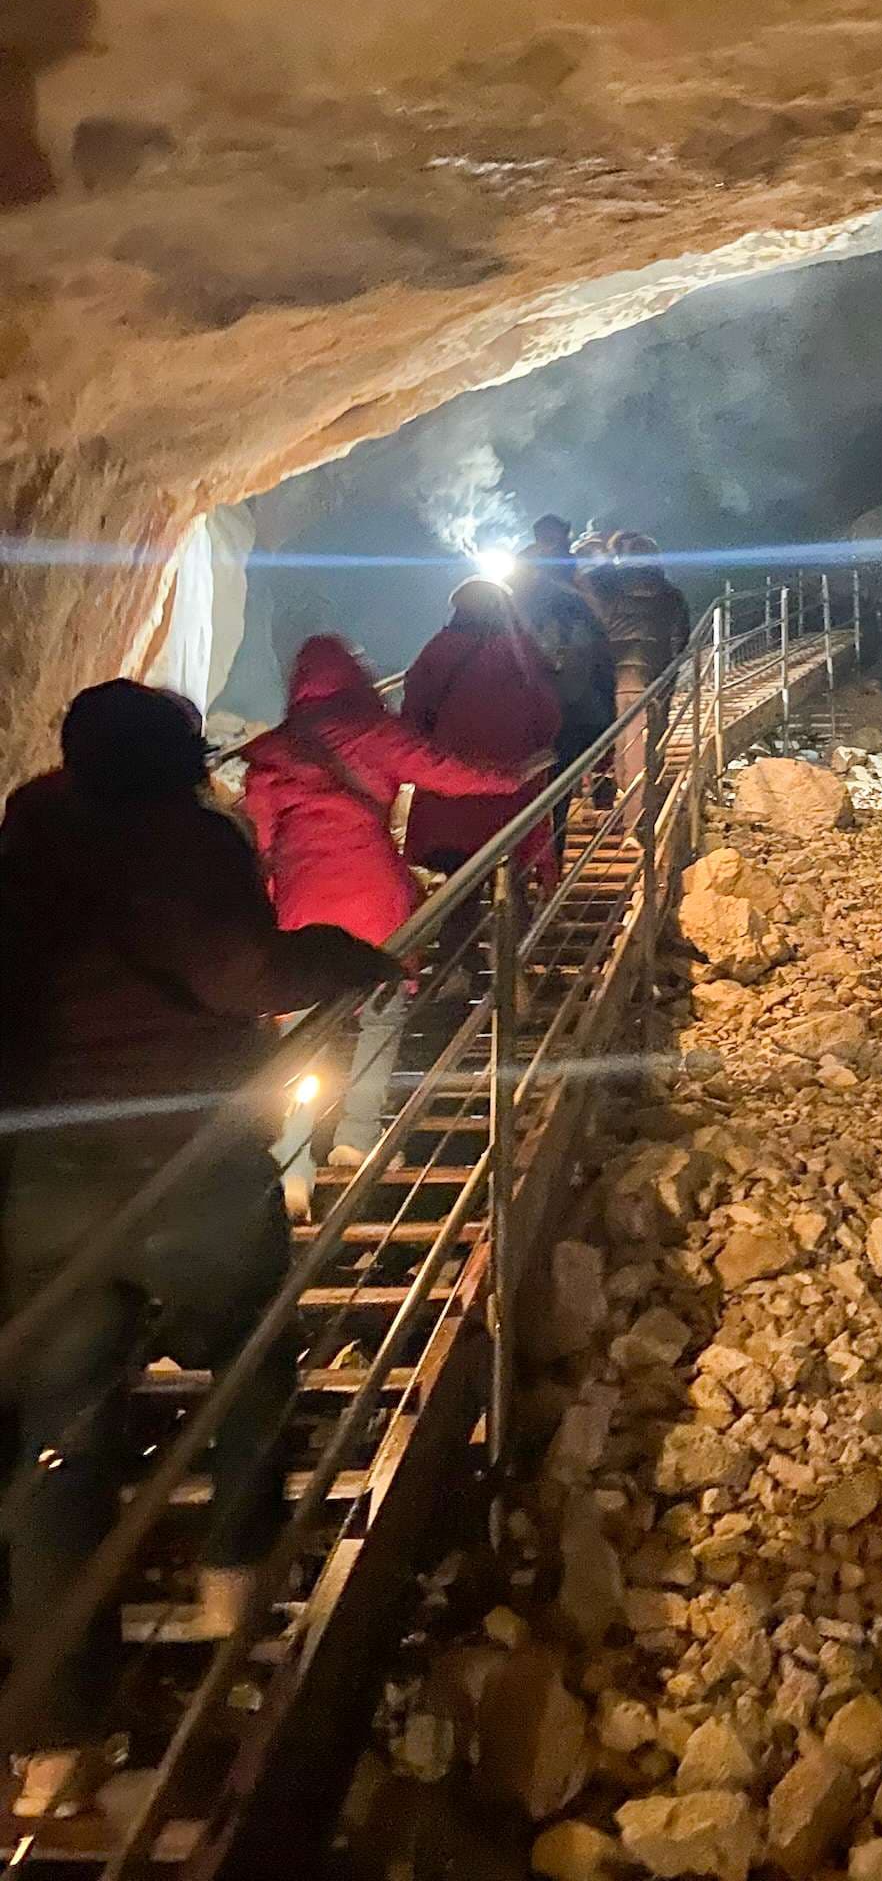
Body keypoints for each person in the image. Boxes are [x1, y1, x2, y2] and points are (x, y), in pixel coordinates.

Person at [0, 681, 398, 1818]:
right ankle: (236, 1568)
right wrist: (335, 954)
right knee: (253, 1349)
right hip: (186, 1161)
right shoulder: (185, 839)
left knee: (59, 1441)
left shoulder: (23, 843)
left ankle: (54, 1738)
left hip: (49, 1182)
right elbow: (237, 970)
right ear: (179, 759)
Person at [243, 634, 543, 1217]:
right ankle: (358, 1134)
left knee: (302, 1028)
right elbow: (443, 770)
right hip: (372, 893)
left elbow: (257, 841)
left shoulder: (271, 752)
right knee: (381, 1011)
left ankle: (293, 1156)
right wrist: (510, 779)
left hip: (301, 899)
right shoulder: (369, 729)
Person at [402, 580, 563, 987]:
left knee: (460, 888)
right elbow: (548, 714)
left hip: (450, 791)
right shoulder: (522, 651)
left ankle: (460, 967)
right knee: (513, 876)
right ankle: (518, 967)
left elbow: (413, 714)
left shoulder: (437, 652)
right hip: (512, 788)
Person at [511, 524, 618, 854]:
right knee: (554, 792)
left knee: (530, 796)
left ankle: (530, 875)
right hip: (571, 711)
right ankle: (548, 870)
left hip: (531, 711)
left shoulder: (516, 608)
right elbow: (599, 658)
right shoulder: (580, 603)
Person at [583, 531, 691, 833]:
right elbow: (680, 641)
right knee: (644, 750)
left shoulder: (606, 585)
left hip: (611, 678)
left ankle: (630, 815)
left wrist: (597, 555)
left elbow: (584, 604)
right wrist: (667, 676)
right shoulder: (671, 594)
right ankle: (637, 822)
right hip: (652, 679)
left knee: (621, 750)